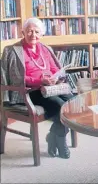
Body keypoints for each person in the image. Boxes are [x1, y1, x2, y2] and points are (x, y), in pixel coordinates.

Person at [0, 17, 73, 159]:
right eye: (29, 31)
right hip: (29, 91)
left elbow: (54, 68)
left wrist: (54, 78)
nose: (33, 35)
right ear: (23, 32)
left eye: (36, 32)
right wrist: (40, 81)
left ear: (42, 34)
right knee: (59, 105)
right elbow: (16, 79)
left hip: (50, 88)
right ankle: (60, 141)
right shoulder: (13, 51)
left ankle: (53, 135)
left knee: (72, 103)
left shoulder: (45, 49)